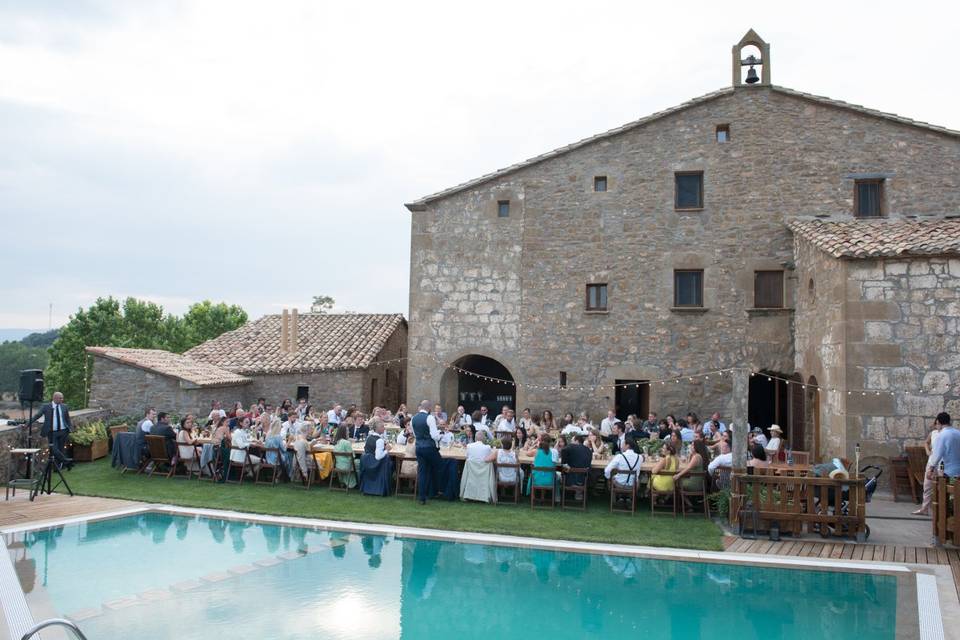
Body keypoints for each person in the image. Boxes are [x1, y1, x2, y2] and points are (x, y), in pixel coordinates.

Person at [921, 413, 960, 512]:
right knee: (956, 495)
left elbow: (937, 454)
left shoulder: (942, 435)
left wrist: (931, 469)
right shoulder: (958, 433)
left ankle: (949, 522)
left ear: (938, 421)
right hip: (958, 470)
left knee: (949, 495)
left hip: (949, 471)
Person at [30, 391, 74, 470]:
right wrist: (27, 424)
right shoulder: (46, 407)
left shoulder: (64, 406)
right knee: (54, 449)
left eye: (62, 398)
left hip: (63, 431)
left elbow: (67, 419)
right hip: (51, 432)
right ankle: (66, 462)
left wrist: (70, 429)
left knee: (61, 449)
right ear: (54, 398)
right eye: (60, 398)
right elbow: (37, 416)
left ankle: (58, 468)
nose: (62, 400)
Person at [914, 417, 947, 516]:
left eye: (939, 423)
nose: (937, 426)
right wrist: (928, 451)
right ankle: (924, 508)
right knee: (927, 485)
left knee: (941, 485)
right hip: (931, 462)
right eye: (936, 423)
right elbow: (926, 442)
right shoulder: (933, 433)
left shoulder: (946, 434)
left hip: (942, 464)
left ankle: (942, 510)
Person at [413, 400, 443, 504]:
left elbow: (415, 434)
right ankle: (439, 491)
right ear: (429, 408)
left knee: (423, 472)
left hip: (419, 448)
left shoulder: (414, 418)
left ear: (421, 407)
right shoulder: (430, 418)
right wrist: (441, 434)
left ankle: (422, 497)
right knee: (441, 466)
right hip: (429, 448)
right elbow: (434, 435)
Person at [359, 419, 393, 496]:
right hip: (376, 465)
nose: (384, 428)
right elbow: (378, 457)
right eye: (382, 427)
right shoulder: (379, 440)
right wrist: (387, 450)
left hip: (367, 463)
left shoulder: (369, 437)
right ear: (377, 429)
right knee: (391, 463)